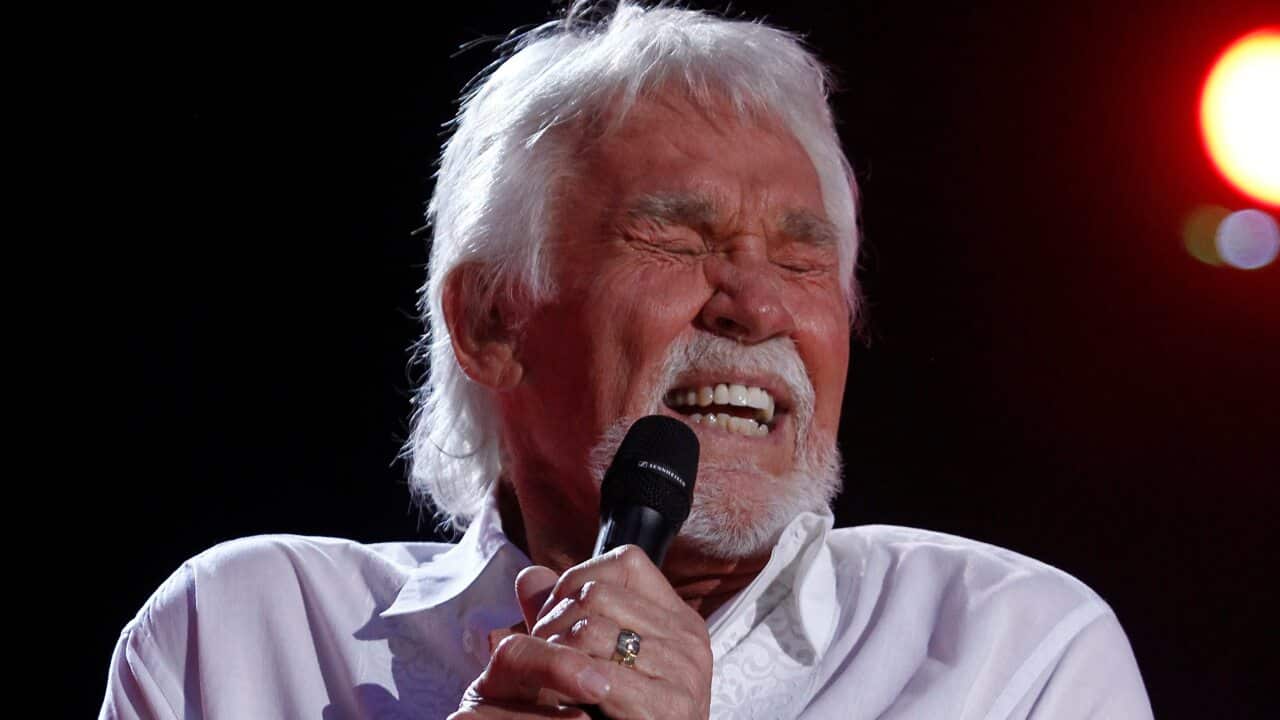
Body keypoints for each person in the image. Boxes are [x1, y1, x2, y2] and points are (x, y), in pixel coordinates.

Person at [101, 3, 1154, 718]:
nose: (756, 306)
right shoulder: (252, 639)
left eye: (802, 259)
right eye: (678, 241)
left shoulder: (1009, 652)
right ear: (491, 321)